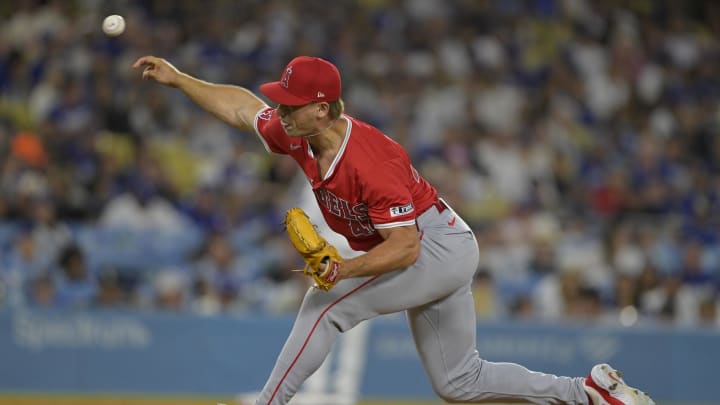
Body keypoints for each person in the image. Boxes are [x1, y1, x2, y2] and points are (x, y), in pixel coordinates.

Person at [132, 55, 655, 405]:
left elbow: (404, 249)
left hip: (435, 246)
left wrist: (342, 270)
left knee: (326, 304)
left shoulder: (370, 161)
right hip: (432, 244)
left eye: (291, 104)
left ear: (322, 108)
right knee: (459, 382)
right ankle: (589, 393)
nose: (281, 111)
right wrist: (180, 78)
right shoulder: (296, 130)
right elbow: (243, 107)